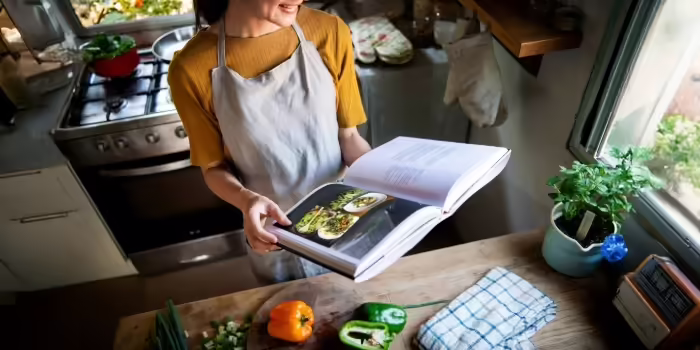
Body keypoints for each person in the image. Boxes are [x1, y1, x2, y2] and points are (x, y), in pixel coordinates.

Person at [168, 0, 371, 283]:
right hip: (276, 234)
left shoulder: (329, 31)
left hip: (347, 216)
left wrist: (393, 183)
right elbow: (213, 168)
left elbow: (348, 138)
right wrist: (245, 200)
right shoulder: (191, 68)